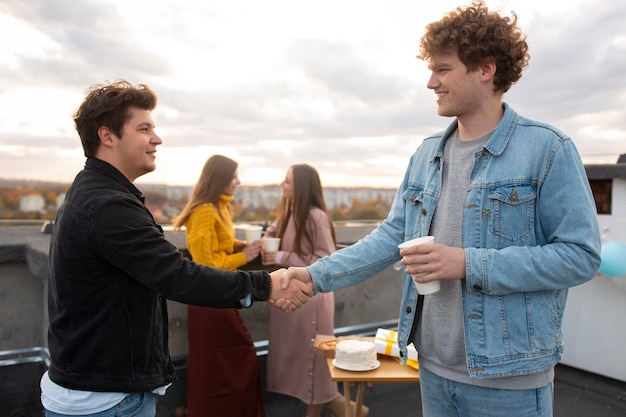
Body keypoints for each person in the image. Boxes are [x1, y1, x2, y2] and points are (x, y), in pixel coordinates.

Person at [278, 2, 602, 417]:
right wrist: (311, 275)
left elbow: (580, 257)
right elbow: (389, 237)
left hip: (509, 380)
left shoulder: (548, 150)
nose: (431, 82)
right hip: (431, 369)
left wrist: (468, 263)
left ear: (486, 70)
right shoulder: (426, 153)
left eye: (443, 69)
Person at [40, 80, 312, 417]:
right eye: (144, 128)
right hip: (105, 401)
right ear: (107, 136)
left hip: (103, 389)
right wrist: (266, 284)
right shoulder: (107, 205)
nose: (157, 138)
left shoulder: (96, 193)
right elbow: (176, 274)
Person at [262, 164, 369, 417]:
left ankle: (325, 411)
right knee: (303, 360)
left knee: (314, 360)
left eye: (287, 181)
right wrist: (265, 239)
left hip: (311, 300)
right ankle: (349, 409)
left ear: (300, 186)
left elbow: (325, 260)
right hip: (293, 300)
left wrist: (280, 254)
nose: (282, 185)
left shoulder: (316, 216)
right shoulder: (290, 213)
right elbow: (274, 233)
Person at [172, 155, 265, 417]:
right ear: (220, 178)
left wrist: (240, 246)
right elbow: (204, 265)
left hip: (223, 296)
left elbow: (219, 242)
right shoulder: (203, 211)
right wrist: (243, 258)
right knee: (221, 364)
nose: (238, 182)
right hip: (208, 300)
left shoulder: (221, 208)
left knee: (229, 362)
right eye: (234, 176)